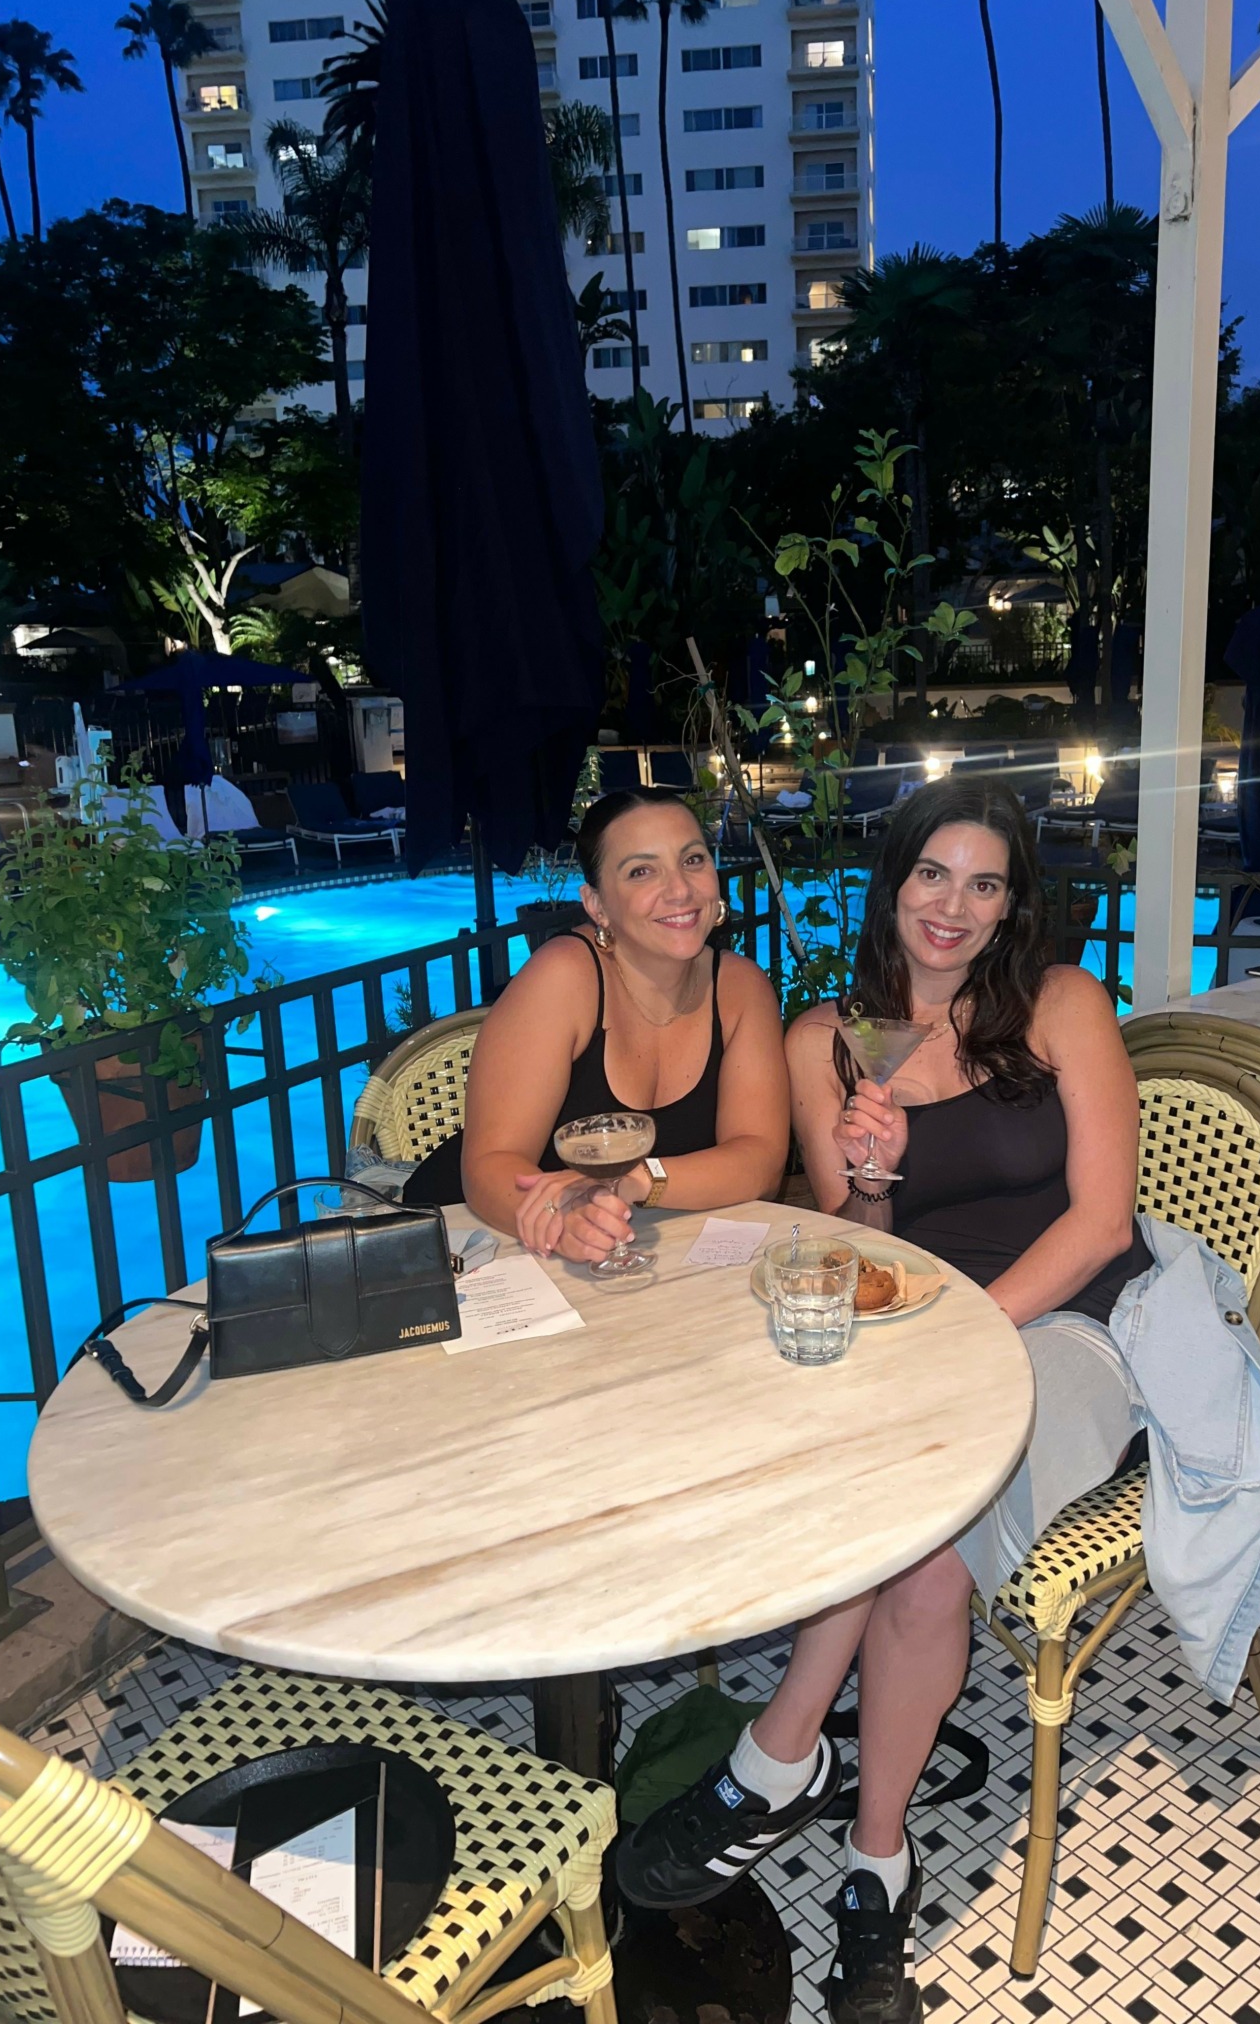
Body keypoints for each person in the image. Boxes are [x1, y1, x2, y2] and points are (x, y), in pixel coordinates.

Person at [617, 776, 1151, 2024]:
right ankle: (827, 1811)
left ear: (1014, 903)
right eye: (932, 874)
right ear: (893, 883)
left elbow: (1101, 1221)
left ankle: (834, 1814)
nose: (952, 906)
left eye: (984, 883)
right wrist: (872, 1174)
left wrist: (974, 1334)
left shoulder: (1063, 1004)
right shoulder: (830, 1039)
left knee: (922, 1550)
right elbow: (857, 1238)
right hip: (908, 1319)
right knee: (850, 1490)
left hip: (1068, 1323)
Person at [459, 788, 789, 1257]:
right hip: (495, 1251)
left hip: (655, 1254)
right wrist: (563, 1218)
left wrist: (635, 1180)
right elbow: (489, 1165)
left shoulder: (741, 990)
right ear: (597, 905)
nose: (680, 889)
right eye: (641, 871)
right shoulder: (564, 977)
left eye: (692, 860)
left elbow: (759, 1162)